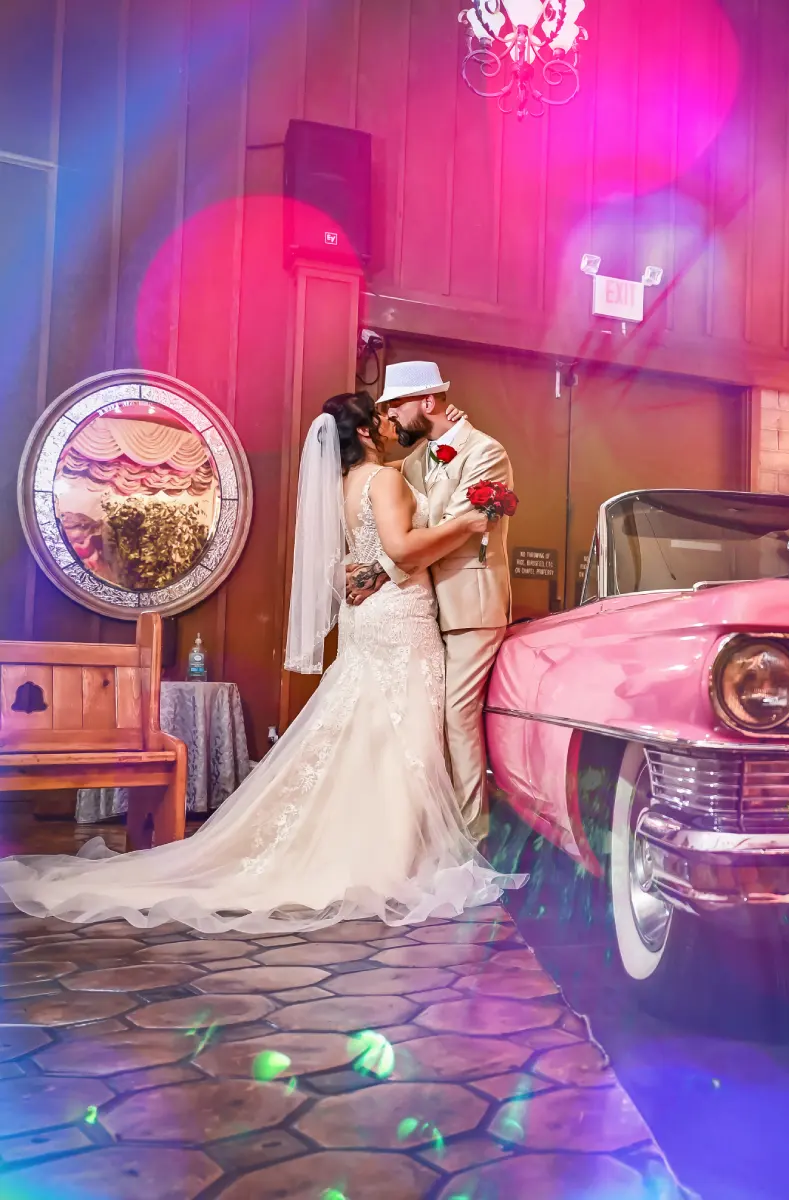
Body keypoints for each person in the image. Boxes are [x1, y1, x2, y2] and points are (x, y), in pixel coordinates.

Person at [0, 393, 526, 933]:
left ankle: (375, 845)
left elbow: (356, 556)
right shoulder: (385, 479)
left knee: (372, 732)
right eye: (381, 416)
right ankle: (394, 857)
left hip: (370, 617)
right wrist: (468, 524)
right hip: (399, 616)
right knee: (403, 732)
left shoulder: (347, 484)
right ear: (367, 433)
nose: (390, 421)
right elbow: (402, 549)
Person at [345, 361, 513, 845]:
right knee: (426, 721)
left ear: (427, 401)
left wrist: (381, 571)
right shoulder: (415, 458)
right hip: (421, 607)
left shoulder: (487, 453)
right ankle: (425, 835)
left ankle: (472, 841)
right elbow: (388, 510)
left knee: (457, 718)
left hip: (469, 607)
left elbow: (450, 533)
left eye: (396, 404)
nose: (390, 416)